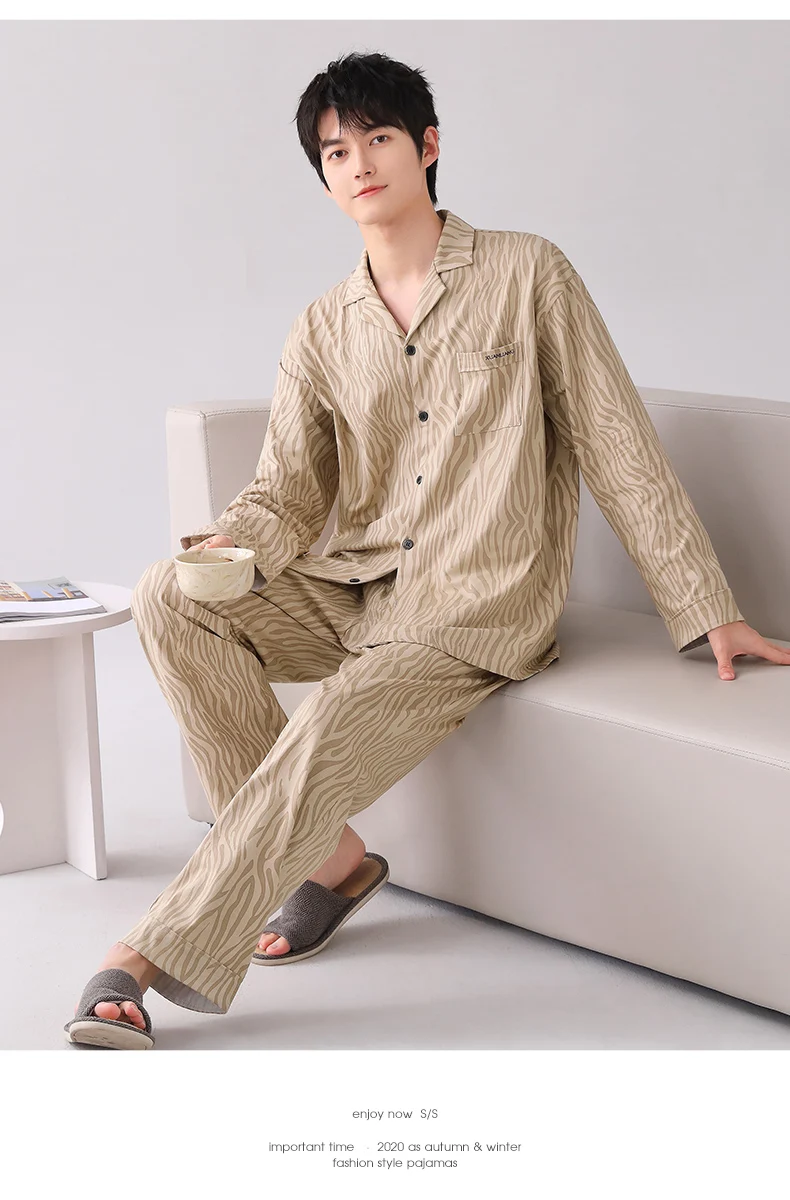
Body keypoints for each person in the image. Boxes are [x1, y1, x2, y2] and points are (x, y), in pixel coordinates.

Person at [65, 51, 790, 1049]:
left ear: (427, 146)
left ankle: (143, 956)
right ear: (323, 177)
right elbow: (288, 493)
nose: (359, 163)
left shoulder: (527, 272)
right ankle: (328, 864)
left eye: (378, 139)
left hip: (476, 604)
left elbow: (615, 441)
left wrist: (707, 608)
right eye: (336, 151)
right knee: (167, 596)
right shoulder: (321, 327)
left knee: (329, 722)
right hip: (362, 585)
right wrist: (234, 541)